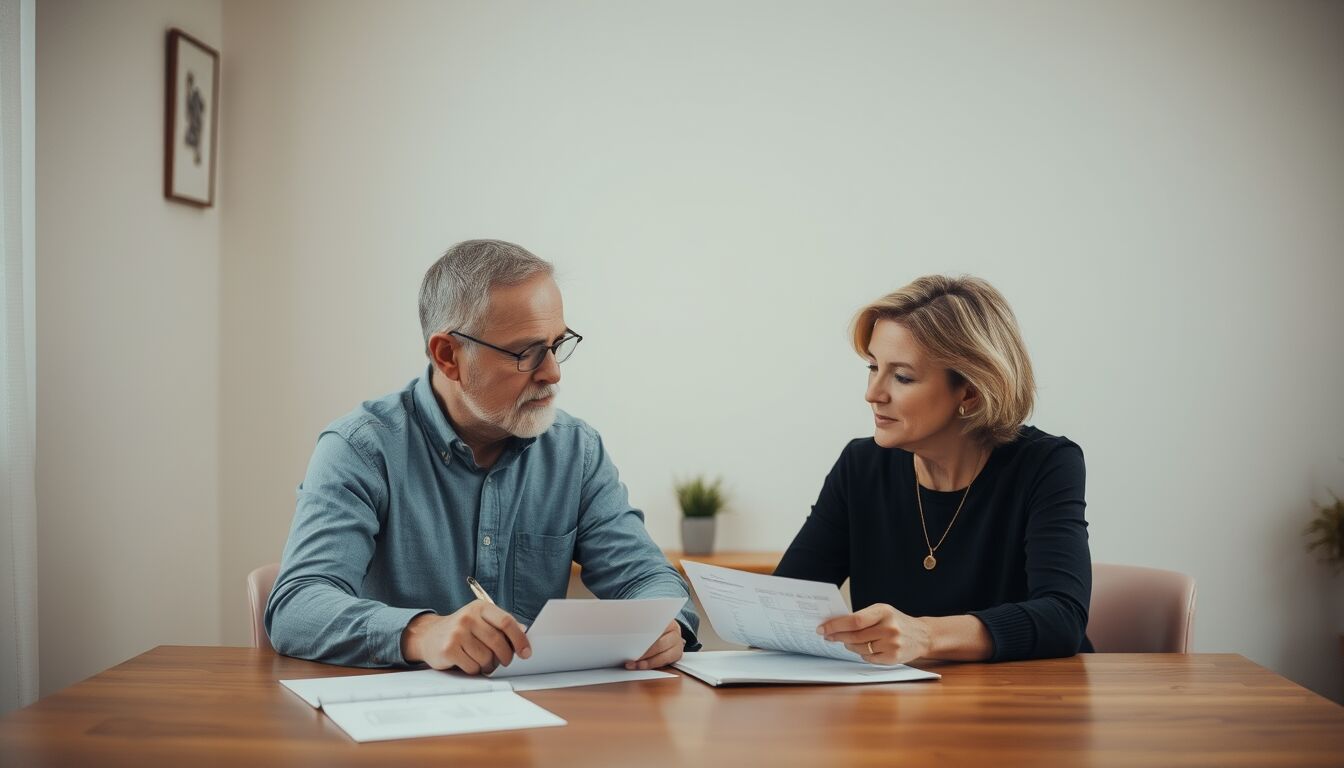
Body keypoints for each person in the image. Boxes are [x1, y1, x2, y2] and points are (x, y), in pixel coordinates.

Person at [267, 239, 699, 673]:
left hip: (539, 722)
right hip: (398, 726)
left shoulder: (576, 451)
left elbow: (646, 578)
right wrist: (422, 633)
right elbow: (297, 604)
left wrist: (666, 624)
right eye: (526, 353)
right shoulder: (360, 449)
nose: (553, 372)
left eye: (557, 344)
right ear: (448, 355)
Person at [774, 275, 1090, 664]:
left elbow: (1062, 617)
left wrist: (924, 636)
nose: (873, 393)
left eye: (902, 376)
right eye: (873, 367)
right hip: (897, 710)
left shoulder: (1046, 464)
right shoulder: (861, 466)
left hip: (1024, 705)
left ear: (971, 391)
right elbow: (785, 606)